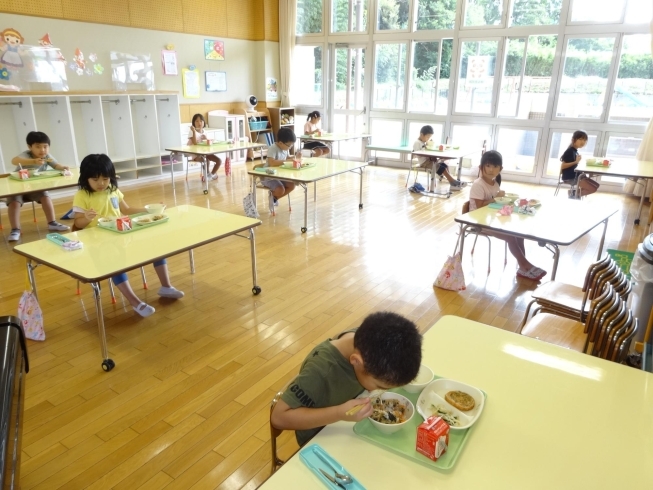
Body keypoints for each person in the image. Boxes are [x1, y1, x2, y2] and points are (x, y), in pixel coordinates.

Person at [271, 311, 423, 446]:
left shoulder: (365, 341)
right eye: (381, 387)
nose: (384, 391)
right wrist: (339, 413)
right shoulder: (320, 370)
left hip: (348, 424)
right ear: (356, 362)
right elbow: (278, 417)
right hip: (319, 439)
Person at [72, 154, 184, 317]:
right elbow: (77, 224)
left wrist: (149, 210)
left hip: (121, 234)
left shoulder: (113, 190)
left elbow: (126, 210)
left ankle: (166, 286)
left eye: (105, 178)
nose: (101, 183)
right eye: (95, 180)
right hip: (98, 242)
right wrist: (86, 218)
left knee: (156, 248)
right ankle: (135, 303)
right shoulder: (82, 196)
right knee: (115, 264)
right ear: (85, 179)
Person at [469, 150, 547, 281]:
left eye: (495, 166)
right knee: (511, 237)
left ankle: (523, 266)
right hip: (478, 222)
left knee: (518, 234)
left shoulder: (495, 183)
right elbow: (480, 206)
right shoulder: (478, 184)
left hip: (490, 219)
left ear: (501, 168)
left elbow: (494, 203)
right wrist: (496, 198)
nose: (491, 170)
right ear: (481, 167)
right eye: (488, 166)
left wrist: (503, 201)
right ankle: (525, 266)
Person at [7, 131, 71, 242]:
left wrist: (63, 167)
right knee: (14, 203)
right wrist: (33, 161)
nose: (42, 150)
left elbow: (56, 165)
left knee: (46, 197)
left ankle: (52, 223)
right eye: (38, 147)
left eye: (45, 147)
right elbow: (14, 160)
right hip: (17, 187)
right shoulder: (26, 155)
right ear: (29, 147)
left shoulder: (47, 157)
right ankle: (15, 229)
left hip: (34, 187)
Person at [413, 125, 466, 191]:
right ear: (421, 134)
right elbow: (418, 154)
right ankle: (452, 182)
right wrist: (427, 149)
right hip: (424, 163)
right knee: (441, 168)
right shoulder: (417, 142)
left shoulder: (423, 142)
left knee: (444, 165)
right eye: (427, 137)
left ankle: (452, 181)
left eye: (429, 137)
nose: (428, 139)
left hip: (429, 161)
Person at [260, 127, 297, 205]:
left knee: (292, 185)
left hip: (279, 175)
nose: (290, 147)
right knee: (280, 190)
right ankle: (273, 196)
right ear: (280, 143)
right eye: (289, 145)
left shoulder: (285, 148)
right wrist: (287, 161)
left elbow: (287, 158)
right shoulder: (273, 148)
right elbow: (272, 162)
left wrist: (294, 157)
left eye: (292, 145)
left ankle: (274, 198)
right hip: (268, 176)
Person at [559, 130, 599, 199]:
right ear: (573, 140)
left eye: (584, 140)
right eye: (580, 139)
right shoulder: (570, 151)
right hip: (571, 177)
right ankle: (573, 194)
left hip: (578, 176)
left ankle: (573, 193)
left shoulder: (575, 151)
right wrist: (576, 162)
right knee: (593, 189)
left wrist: (578, 162)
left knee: (596, 185)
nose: (583, 142)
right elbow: (563, 166)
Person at [188, 113, 222, 181]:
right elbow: (195, 143)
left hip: (205, 153)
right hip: (196, 154)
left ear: (204, 122)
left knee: (219, 161)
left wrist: (206, 139)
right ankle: (207, 175)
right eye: (197, 121)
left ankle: (211, 175)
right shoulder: (192, 131)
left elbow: (207, 144)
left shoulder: (205, 132)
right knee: (206, 160)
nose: (199, 123)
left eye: (201, 121)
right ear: (193, 123)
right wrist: (194, 131)